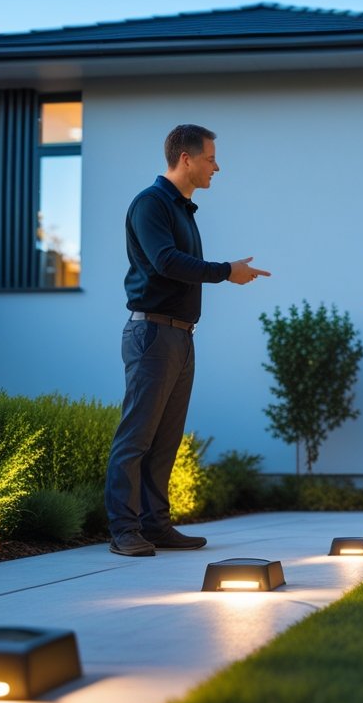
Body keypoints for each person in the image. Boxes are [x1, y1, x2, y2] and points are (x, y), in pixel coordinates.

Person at [104, 124, 270, 557]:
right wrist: (225, 271)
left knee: (166, 439)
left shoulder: (183, 210)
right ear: (186, 159)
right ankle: (124, 530)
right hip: (152, 333)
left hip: (179, 335)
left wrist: (224, 271)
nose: (218, 166)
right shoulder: (151, 204)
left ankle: (155, 525)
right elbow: (164, 262)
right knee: (136, 437)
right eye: (211, 158)